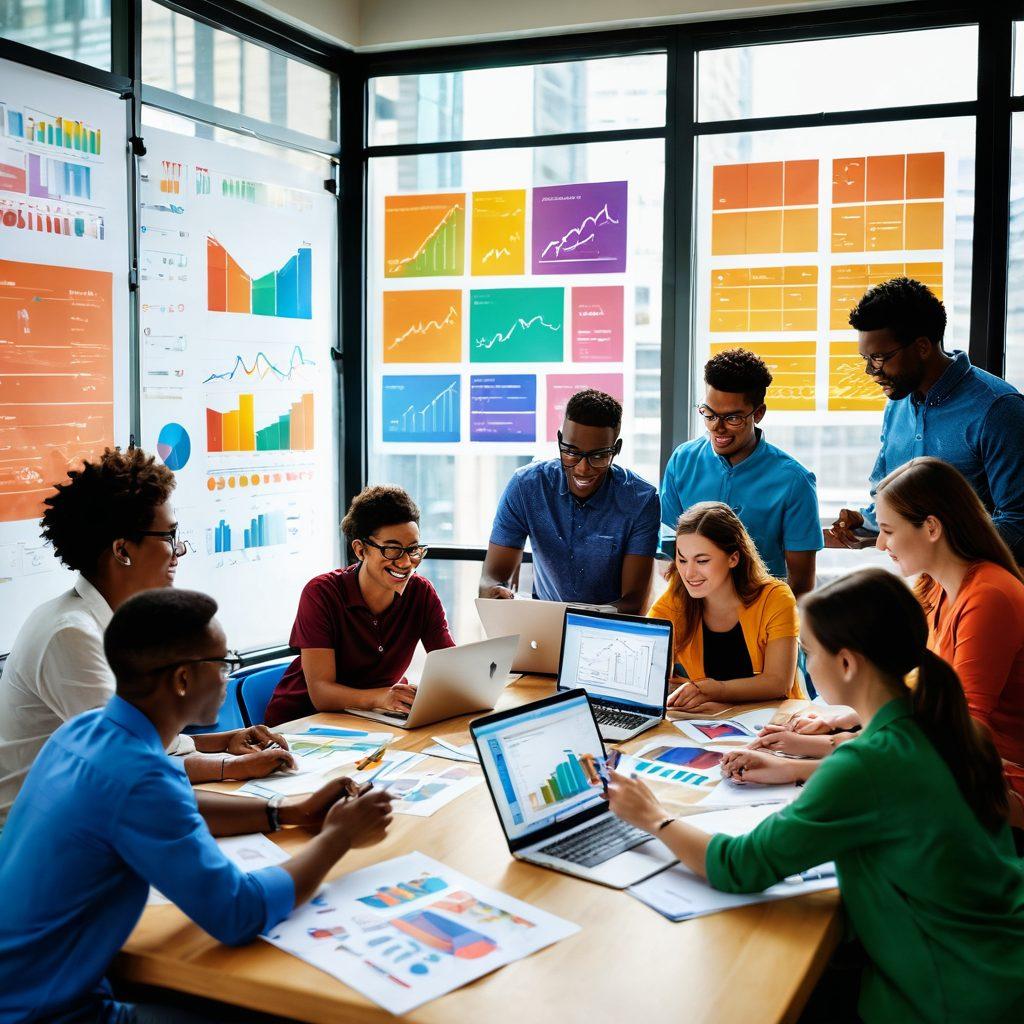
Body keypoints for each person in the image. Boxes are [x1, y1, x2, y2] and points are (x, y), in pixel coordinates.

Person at [609, 568, 1024, 1024]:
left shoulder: (866, 764)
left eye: (808, 652)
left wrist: (653, 816)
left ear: (846, 663)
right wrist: (795, 768)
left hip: (947, 994)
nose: (806, 664)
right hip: (998, 958)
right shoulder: (943, 727)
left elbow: (740, 865)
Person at [0, 588, 393, 1024]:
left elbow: (178, 803)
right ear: (183, 679)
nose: (228, 677)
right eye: (223, 665)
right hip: (50, 1012)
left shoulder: (89, 732)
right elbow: (238, 913)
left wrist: (289, 812)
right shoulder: (136, 775)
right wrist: (340, 837)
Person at [0, 448, 292, 828]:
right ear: (122, 550)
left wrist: (224, 741)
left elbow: (143, 746)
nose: (180, 550)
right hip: (36, 839)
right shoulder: (70, 634)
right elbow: (134, 768)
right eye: (170, 536)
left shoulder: (111, 622)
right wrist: (235, 771)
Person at [829, 277, 1024, 562]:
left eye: (880, 358)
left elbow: (1018, 523)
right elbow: (903, 505)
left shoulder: (997, 409)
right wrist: (868, 520)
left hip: (986, 588)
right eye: (866, 359)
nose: (871, 371)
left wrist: (928, 543)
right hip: (930, 587)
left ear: (922, 347)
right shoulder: (897, 405)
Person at [875, 456, 1024, 824]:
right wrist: (840, 726)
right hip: (970, 767)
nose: (880, 544)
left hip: (1002, 783)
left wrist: (834, 750)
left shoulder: (989, 595)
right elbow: (918, 690)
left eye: (888, 530)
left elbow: (964, 726)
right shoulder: (935, 587)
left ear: (930, 527)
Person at [264, 484, 453, 728]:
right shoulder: (321, 594)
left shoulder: (421, 593)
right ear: (360, 550)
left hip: (373, 721)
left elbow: (449, 664)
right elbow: (321, 694)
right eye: (392, 549)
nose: (407, 562)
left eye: (413, 549)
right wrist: (383, 697)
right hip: (303, 724)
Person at [479, 389, 660, 612]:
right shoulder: (526, 487)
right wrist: (495, 592)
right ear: (559, 441)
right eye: (571, 452)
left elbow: (634, 603)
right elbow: (490, 578)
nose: (583, 468)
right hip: (543, 625)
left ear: (616, 449)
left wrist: (574, 621)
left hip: (610, 631)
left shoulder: (641, 501)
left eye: (598, 455)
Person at [660, 348, 822, 596]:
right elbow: (669, 553)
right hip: (691, 611)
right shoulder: (683, 460)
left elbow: (801, 585)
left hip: (760, 618)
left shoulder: (794, 481)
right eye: (709, 414)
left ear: (758, 413)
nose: (718, 428)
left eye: (732, 418)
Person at [647, 502, 802, 714]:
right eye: (682, 560)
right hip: (709, 719)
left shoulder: (776, 597)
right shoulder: (675, 601)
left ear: (733, 558)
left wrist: (717, 690)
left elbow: (778, 683)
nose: (689, 573)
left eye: (701, 561)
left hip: (775, 720)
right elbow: (647, 667)